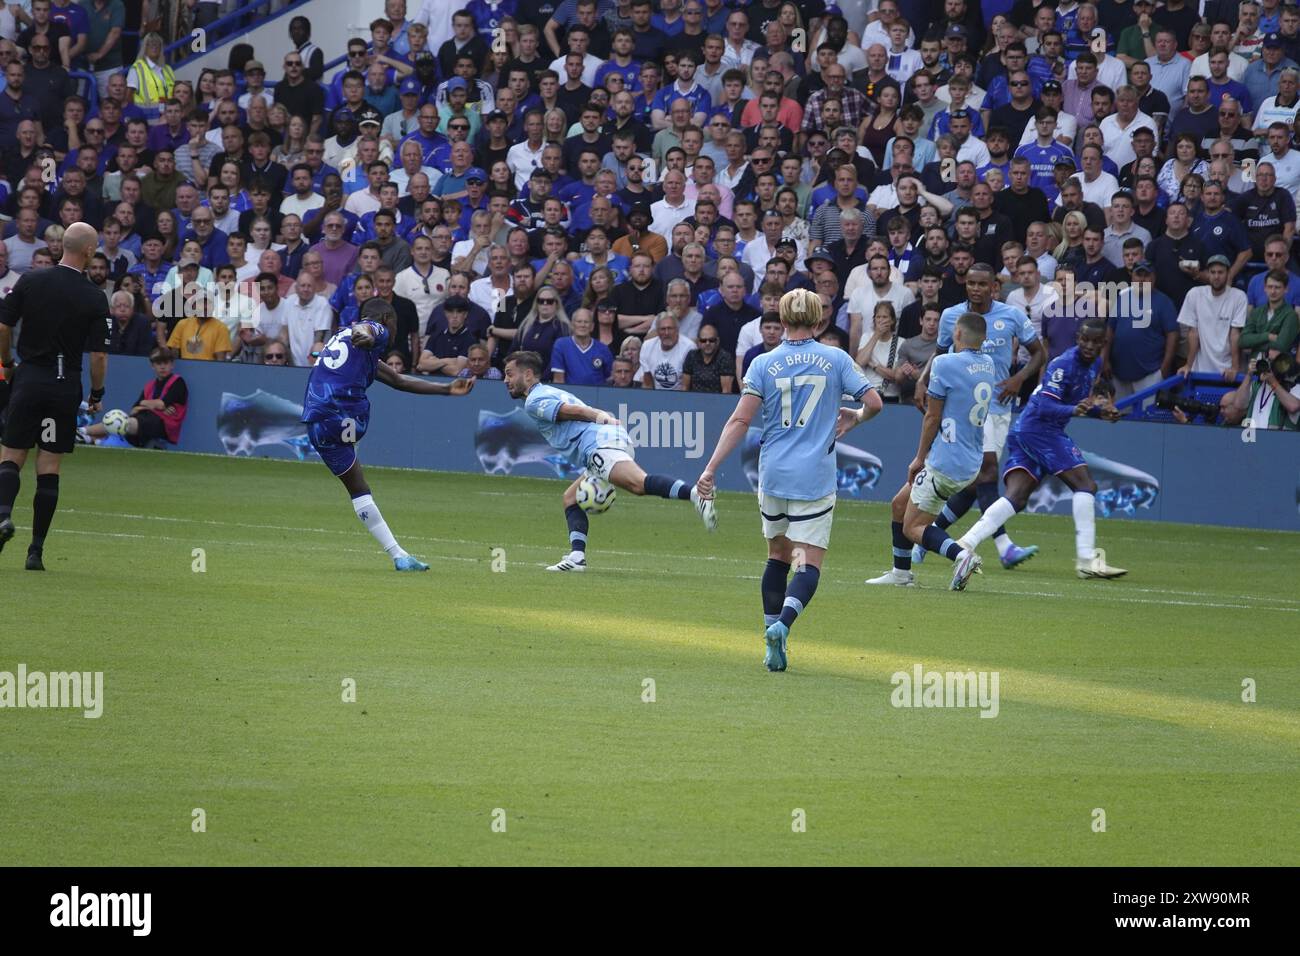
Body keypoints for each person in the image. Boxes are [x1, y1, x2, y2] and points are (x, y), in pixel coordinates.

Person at [694, 288, 882, 672]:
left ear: (781, 322)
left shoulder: (763, 363)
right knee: (808, 564)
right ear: (818, 321)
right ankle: (782, 626)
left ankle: (769, 640)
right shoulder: (835, 359)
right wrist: (856, 417)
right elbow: (874, 402)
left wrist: (710, 468)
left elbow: (740, 421)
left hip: (773, 474)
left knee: (777, 556)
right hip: (814, 476)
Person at [503, 348, 717, 573]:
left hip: (599, 444)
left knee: (638, 484)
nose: (506, 380)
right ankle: (577, 557)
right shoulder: (546, 391)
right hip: (602, 442)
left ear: (527, 374)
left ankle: (697, 494)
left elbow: (570, 411)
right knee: (571, 499)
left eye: (509, 373)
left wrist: (599, 416)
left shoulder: (534, 400)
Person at [302, 298, 474, 572]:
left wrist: (446, 389)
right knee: (358, 442)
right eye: (395, 325)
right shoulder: (375, 326)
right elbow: (366, 331)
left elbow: (398, 380)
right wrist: (365, 333)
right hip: (342, 414)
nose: (395, 332)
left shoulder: (345, 342)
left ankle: (398, 555)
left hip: (316, 422)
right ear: (388, 320)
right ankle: (399, 556)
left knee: (358, 489)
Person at [954, 320, 1128, 581]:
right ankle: (1085, 559)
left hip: (1029, 430)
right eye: (1085, 339)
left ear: (1104, 344)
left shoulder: (1095, 365)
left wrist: (1101, 411)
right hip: (1039, 430)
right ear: (1077, 338)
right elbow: (1046, 405)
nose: (1089, 345)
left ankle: (965, 543)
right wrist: (1073, 410)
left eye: (1096, 341)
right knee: (1085, 485)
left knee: (1018, 496)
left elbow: (1078, 403)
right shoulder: (1063, 365)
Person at [913, 263, 1046, 570]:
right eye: (971, 283)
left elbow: (1039, 352)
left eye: (981, 284)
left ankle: (932, 537)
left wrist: (1019, 379)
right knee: (983, 474)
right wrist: (923, 380)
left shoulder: (1010, 315)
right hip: (959, 409)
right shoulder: (951, 316)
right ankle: (1003, 546)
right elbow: (941, 355)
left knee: (978, 481)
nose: (975, 289)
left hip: (996, 407)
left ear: (993, 287)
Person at [0, 222, 110, 570]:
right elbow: (99, 356)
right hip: (65, 385)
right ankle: (36, 551)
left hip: (29, 377)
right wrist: (96, 394)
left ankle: (3, 517)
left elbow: (3, 326)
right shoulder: (95, 296)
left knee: (11, 455)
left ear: (61, 245)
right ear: (90, 252)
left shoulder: (30, 280)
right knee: (49, 465)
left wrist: (6, 363)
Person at [866, 311, 997, 590]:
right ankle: (900, 574)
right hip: (970, 457)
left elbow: (932, 417)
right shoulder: (988, 363)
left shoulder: (945, 363)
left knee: (912, 528)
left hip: (946, 460)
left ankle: (961, 555)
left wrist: (919, 459)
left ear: (957, 334)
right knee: (899, 504)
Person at [80, 347, 186, 448]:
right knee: (118, 418)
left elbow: (161, 404)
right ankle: (84, 433)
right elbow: (134, 410)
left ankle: (83, 434)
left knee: (121, 422)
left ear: (172, 365)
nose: (162, 367)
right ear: (152, 366)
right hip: (143, 421)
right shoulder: (150, 385)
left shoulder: (178, 382)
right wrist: (152, 406)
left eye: (166, 363)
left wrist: (145, 403)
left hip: (163, 425)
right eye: (158, 363)